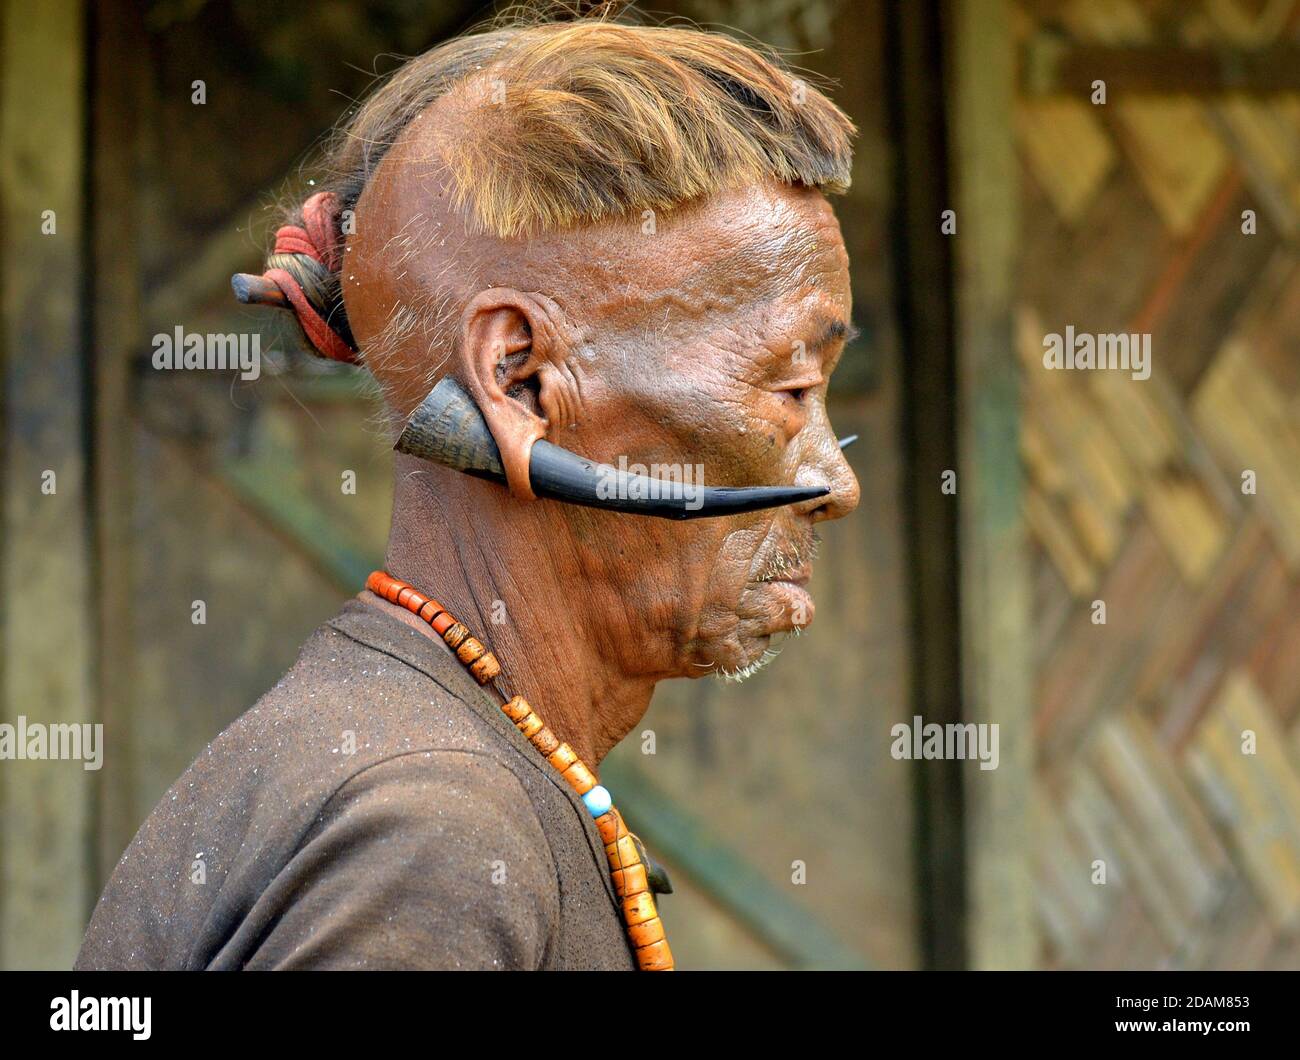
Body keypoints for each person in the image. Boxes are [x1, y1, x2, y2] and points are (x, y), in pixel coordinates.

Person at [75, 13, 860, 972]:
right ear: (522, 380)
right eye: (789, 390)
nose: (836, 483)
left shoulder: (412, 761)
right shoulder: (433, 832)